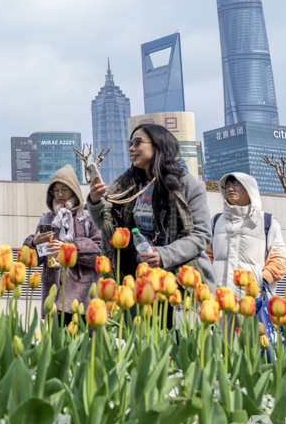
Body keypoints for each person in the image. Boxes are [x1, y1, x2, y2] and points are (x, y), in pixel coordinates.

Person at [88, 124, 216, 301]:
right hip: (136, 274)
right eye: (129, 143)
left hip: (177, 274)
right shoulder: (128, 186)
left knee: (172, 327)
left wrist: (164, 255)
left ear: (158, 144)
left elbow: (201, 234)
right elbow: (110, 227)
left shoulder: (189, 186)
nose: (131, 148)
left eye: (137, 142)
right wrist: (95, 202)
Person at [23, 164, 102, 326]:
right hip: (54, 298)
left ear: (74, 190)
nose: (59, 194)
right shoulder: (47, 219)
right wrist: (34, 243)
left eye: (64, 189)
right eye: (55, 190)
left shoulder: (88, 216)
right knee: (56, 348)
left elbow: (100, 252)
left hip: (83, 298)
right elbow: (34, 260)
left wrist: (70, 249)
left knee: (83, 349)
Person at [206, 173, 286, 293]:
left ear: (249, 188)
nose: (230, 189)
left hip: (252, 298)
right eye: (227, 186)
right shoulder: (216, 221)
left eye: (235, 184)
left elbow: (279, 259)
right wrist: (211, 278)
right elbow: (207, 255)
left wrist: (262, 280)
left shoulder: (267, 221)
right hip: (219, 297)